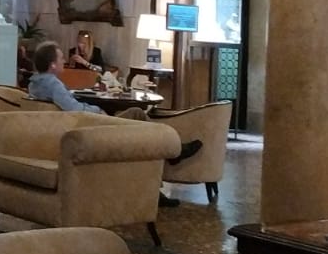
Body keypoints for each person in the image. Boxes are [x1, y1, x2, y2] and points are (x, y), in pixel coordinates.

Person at [25, 41, 201, 206]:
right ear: (52, 64)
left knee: (138, 128)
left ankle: (163, 171)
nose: (64, 60)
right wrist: (97, 111)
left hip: (77, 129)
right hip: (90, 129)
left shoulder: (35, 83)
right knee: (137, 115)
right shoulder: (53, 84)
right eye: (61, 58)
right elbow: (74, 109)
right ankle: (174, 151)